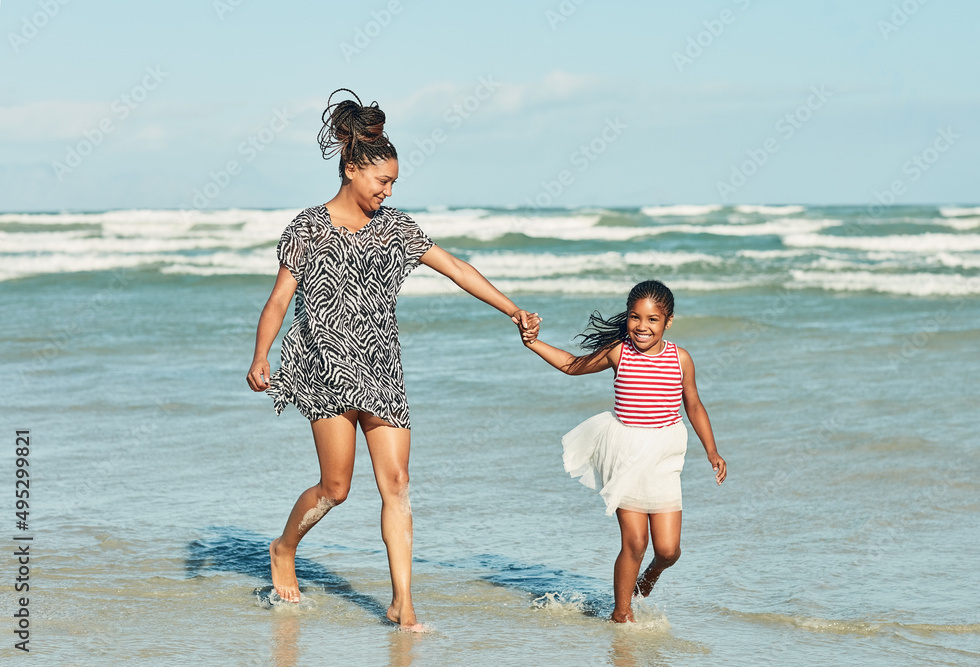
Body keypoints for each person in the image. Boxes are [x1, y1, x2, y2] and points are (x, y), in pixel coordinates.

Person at [245, 89, 538, 632]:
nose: (388, 190)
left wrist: (511, 308)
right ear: (353, 168)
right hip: (323, 372)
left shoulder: (397, 228)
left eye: (393, 183)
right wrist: (261, 356)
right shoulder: (307, 228)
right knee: (336, 488)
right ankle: (283, 547)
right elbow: (278, 301)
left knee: (397, 482)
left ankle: (403, 603)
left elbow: (453, 265)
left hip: (382, 370)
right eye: (382, 180)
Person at [519, 279, 726, 623]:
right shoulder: (619, 351)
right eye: (635, 317)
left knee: (668, 550)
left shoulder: (681, 359)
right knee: (635, 542)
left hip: (665, 454)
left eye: (652, 319)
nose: (642, 326)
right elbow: (572, 364)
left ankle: (650, 577)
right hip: (625, 451)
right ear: (627, 317)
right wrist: (533, 343)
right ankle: (621, 613)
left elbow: (693, 403)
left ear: (668, 321)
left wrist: (712, 450)